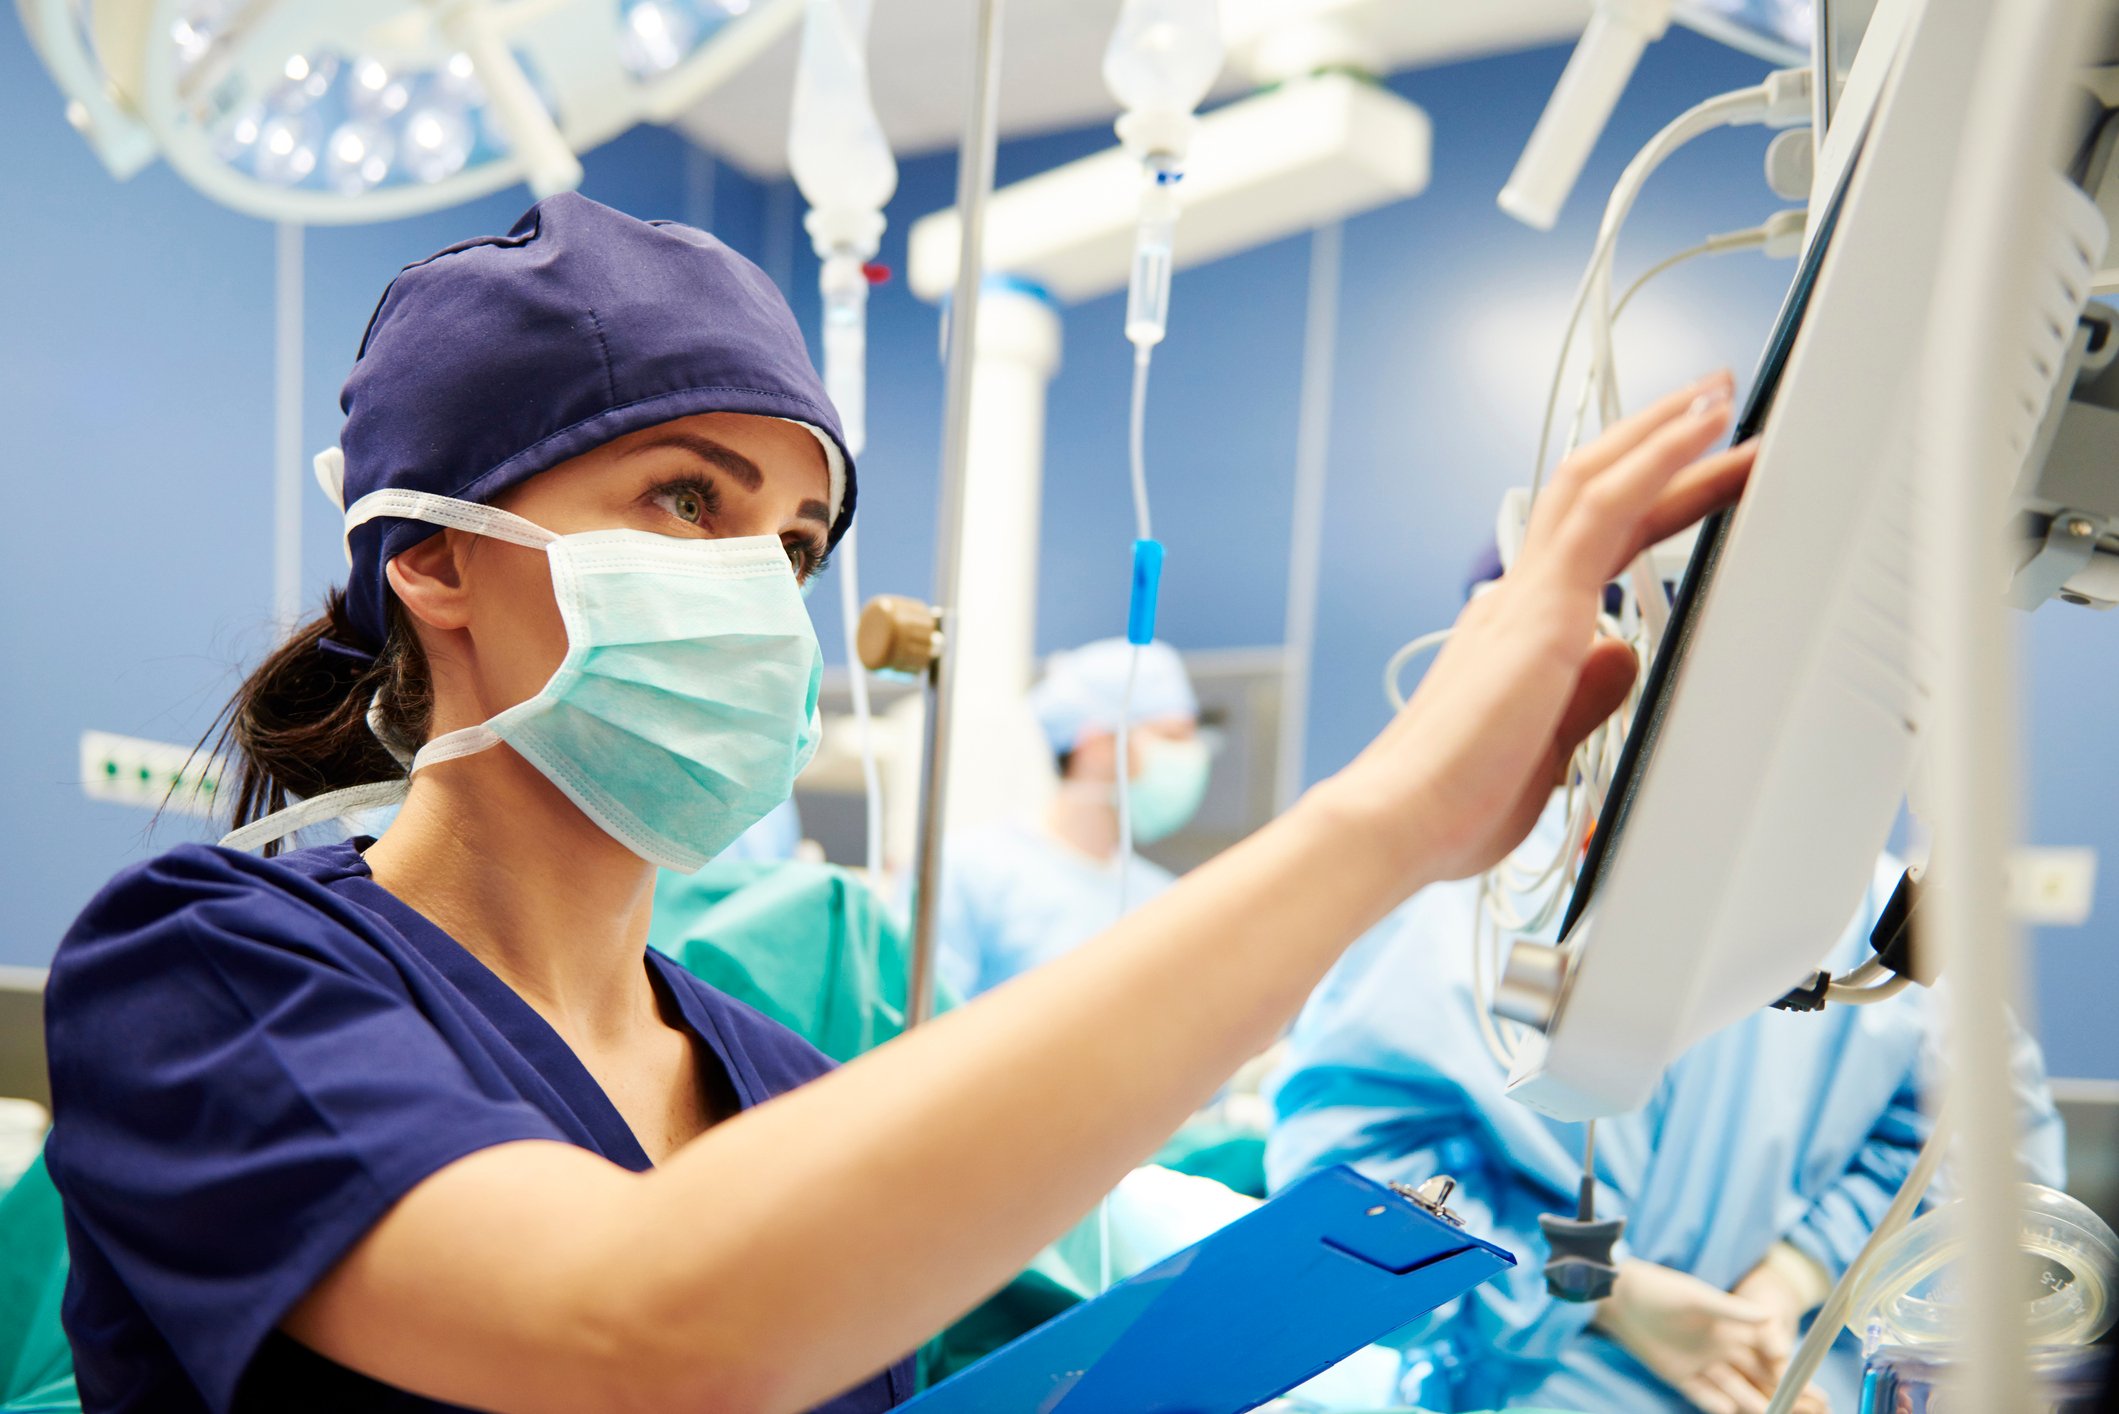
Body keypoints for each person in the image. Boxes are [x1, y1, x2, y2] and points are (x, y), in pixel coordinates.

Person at [40, 190, 1756, 1414]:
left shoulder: (775, 1079)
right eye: (684, 496)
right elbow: (642, 1333)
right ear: (429, 555)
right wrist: (1379, 824)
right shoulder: (211, 975)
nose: (758, 581)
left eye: (791, 539)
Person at [1267, 788, 2068, 1413]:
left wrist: (1791, 1275)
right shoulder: (1480, 900)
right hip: (1546, 1385)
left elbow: (1969, 1139)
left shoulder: (1861, 916)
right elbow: (1358, 1187)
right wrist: (1598, 1287)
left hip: (1786, 1376)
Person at [937, 637, 1208, 999]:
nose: (1190, 756)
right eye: (1171, 736)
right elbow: (918, 1035)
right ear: (1095, 746)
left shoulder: (1165, 900)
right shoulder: (968, 871)